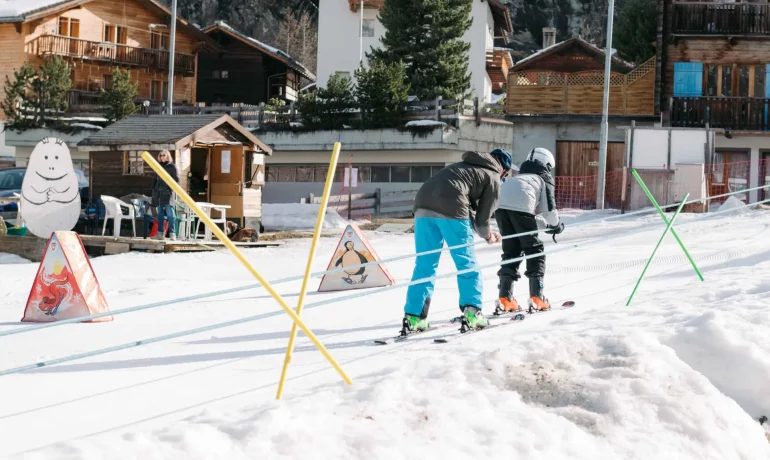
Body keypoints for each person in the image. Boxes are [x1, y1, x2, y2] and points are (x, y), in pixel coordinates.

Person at [401, 148, 513, 334]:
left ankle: (414, 317)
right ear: (504, 169)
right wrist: (488, 235)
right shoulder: (493, 176)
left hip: (422, 205)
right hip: (452, 208)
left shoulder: (464, 166)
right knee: (465, 261)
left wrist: (484, 231)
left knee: (425, 264)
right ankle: (472, 313)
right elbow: (482, 219)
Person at [494, 147, 564, 314]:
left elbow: (525, 216)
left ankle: (505, 297)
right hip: (520, 209)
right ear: (547, 164)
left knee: (511, 250)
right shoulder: (544, 178)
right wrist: (556, 225)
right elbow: (548, 210)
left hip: (500, 209)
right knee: (535, 250)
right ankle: (537, 297)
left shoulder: (519, 177)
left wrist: (546, 227)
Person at [151, 150, 179, 240]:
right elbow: (155, 179)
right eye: (161, 155)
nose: (162, 157)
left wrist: (169, 188)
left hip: (168, 193)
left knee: (170, 214)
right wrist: (154, 189)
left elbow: (176, 180)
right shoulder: (158, 166)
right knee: (160, 214)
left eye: (164, 155)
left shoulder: (172, 167)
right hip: (158, 193)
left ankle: (172, 234)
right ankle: (160, 234)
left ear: (168, 156)